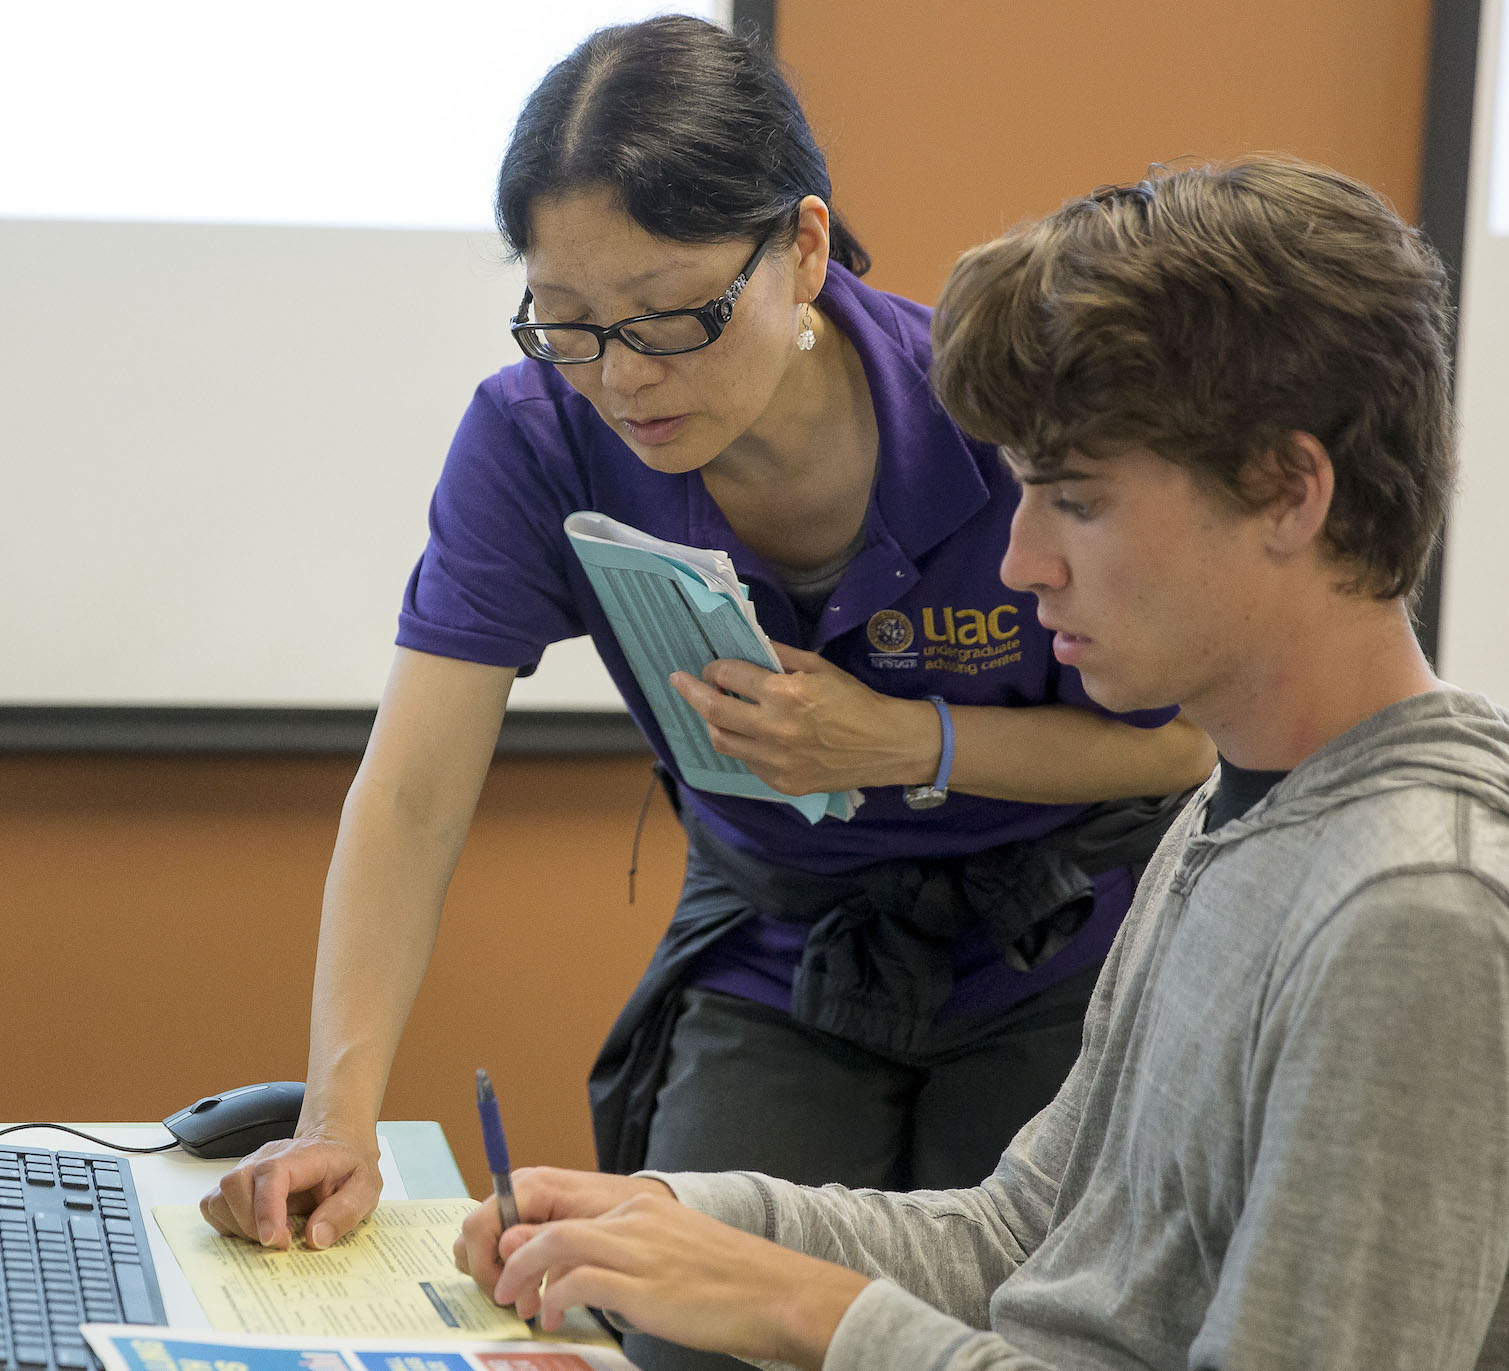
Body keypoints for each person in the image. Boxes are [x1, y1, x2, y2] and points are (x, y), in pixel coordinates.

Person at [451, 156, 1509, 1369]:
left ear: (1286, 491)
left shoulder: (1417, 917)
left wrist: (807, 1316)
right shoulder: (1234, 805)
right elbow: (1035, 1239)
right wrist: (690, 1223)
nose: (1020, 559)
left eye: (1074, 502)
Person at [203, 17, 1212, 1356]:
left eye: (674, 317)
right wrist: (340, 1120)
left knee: (1029, 1317)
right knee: (678, 1322)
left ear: (801, 246)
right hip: (782, 935)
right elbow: (413, 792)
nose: (623, 378)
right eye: (567, 325)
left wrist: (911, 738)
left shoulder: (990, 411)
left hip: (1057, 936)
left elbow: (1183, 745)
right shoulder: (537, 434)